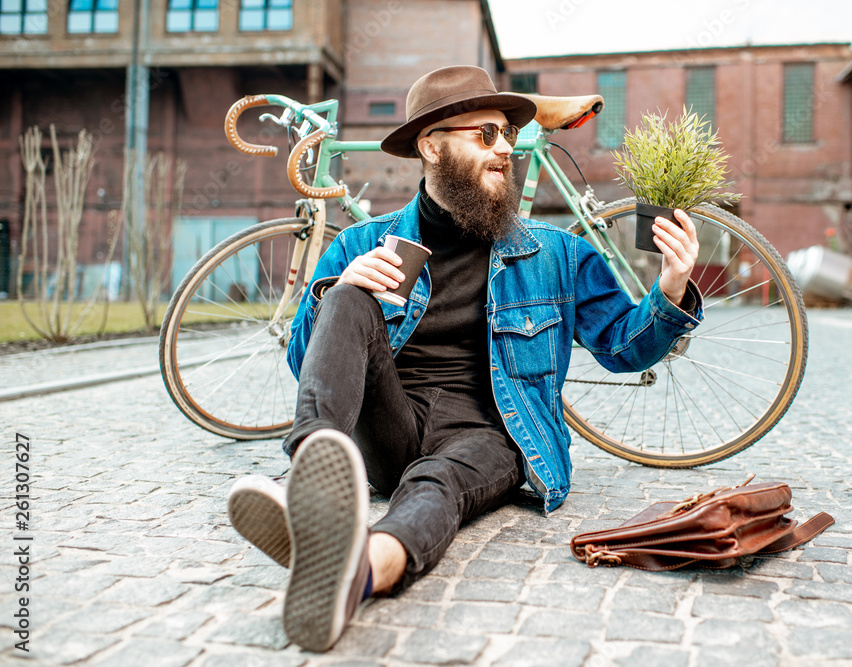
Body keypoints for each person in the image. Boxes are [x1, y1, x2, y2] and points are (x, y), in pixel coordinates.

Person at [226, 65, 703, 652]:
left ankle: (358, 574)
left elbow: (624, 347)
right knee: (346, 298)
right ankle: (310, 482)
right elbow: (308, 362)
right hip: (391, 425)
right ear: (431, 146)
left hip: (494, 434)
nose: (505, 149)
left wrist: (673, 288)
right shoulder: (361, 244)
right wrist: (338, 290)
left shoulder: (556, 254)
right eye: (485, 135)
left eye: (506, 135)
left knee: (438, 485)